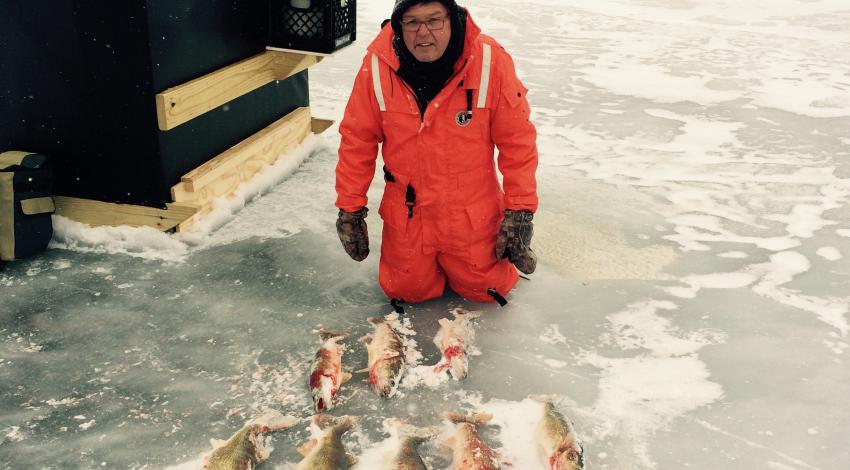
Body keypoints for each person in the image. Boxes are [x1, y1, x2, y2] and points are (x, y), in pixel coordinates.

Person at [335, 0, 538, 311]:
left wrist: (519, 212)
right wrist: (350, 210)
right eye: (412, 22)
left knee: (488, 292)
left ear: (452, 18)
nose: (423, 33)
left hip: (472, 215)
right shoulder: (377, 66)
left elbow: (517, 142)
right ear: (398, 24)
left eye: (434, 20)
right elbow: (357, 142)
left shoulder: (488, 60)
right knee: (406, 293)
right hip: (408, 216)